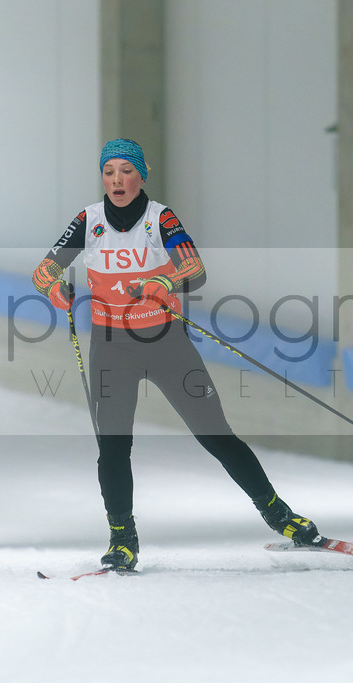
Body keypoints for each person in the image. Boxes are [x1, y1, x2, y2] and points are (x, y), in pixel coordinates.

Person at [32, 138, 321, 571]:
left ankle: (278, 514)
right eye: (109, 172)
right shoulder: (88, 221)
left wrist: (162, 283)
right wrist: (56, 289)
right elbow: (43, 273)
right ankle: (122, 539)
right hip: (111, 348)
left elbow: (195, 269)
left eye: (126, 171)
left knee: (216, 435)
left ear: (141, 175)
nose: (117, 181)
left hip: (166, 344)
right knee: (113, 446)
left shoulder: (159, 218)